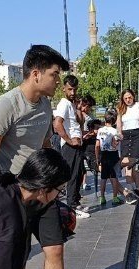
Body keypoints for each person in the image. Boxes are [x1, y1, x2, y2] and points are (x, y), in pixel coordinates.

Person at [0, 44, 87, 269]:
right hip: (16, 196)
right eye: (54, 74)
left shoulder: (45, 105)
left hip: (44, 193)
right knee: (18, 256)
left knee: (55, 250)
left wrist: (57, 179)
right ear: (36, 74)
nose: (57, 81)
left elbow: (45, 144)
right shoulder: (5, 105)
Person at [53, 74, 90, 217]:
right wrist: (69, 140)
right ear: (64, 89)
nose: (73, 92)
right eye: (70, 89)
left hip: (77, 145)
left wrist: (78, 108)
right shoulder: (63, 104)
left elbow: (80, 122)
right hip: (70, 147)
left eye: (75, 89)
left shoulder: (72, 104)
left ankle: (75, 202)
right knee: (72, 176)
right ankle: (72, 207)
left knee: (79, 173)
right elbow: (57, 124)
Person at [116, 88, 139, 201]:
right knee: (126, 163)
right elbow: (119, 123)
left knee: (136, 162)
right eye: (125, 98)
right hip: (126, 136)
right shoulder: (121, 108)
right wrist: (119, 134)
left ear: (133, 96)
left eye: (129, 97)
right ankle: (131, 189)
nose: (128, 100)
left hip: (137, 135)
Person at [95, 112, 129, 206]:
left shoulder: (100, 130)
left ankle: (102, 197)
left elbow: (97, 145)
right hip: (113, 155)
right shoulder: (115, 131)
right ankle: (115, 197)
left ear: (105, 119)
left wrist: (97, 157)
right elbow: (116, 143)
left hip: (103, 154)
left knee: (103, 177)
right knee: (114, 177)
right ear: (114, 121)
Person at [78, 94, 98, 194]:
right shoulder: (79, 114)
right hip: (83, 140)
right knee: (80, 164)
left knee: (90, 163)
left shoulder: (90, 114)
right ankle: (81, 183)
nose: (89, 109)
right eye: (89, 107)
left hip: (90, 141)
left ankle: (84, 182)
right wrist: (89, 133)